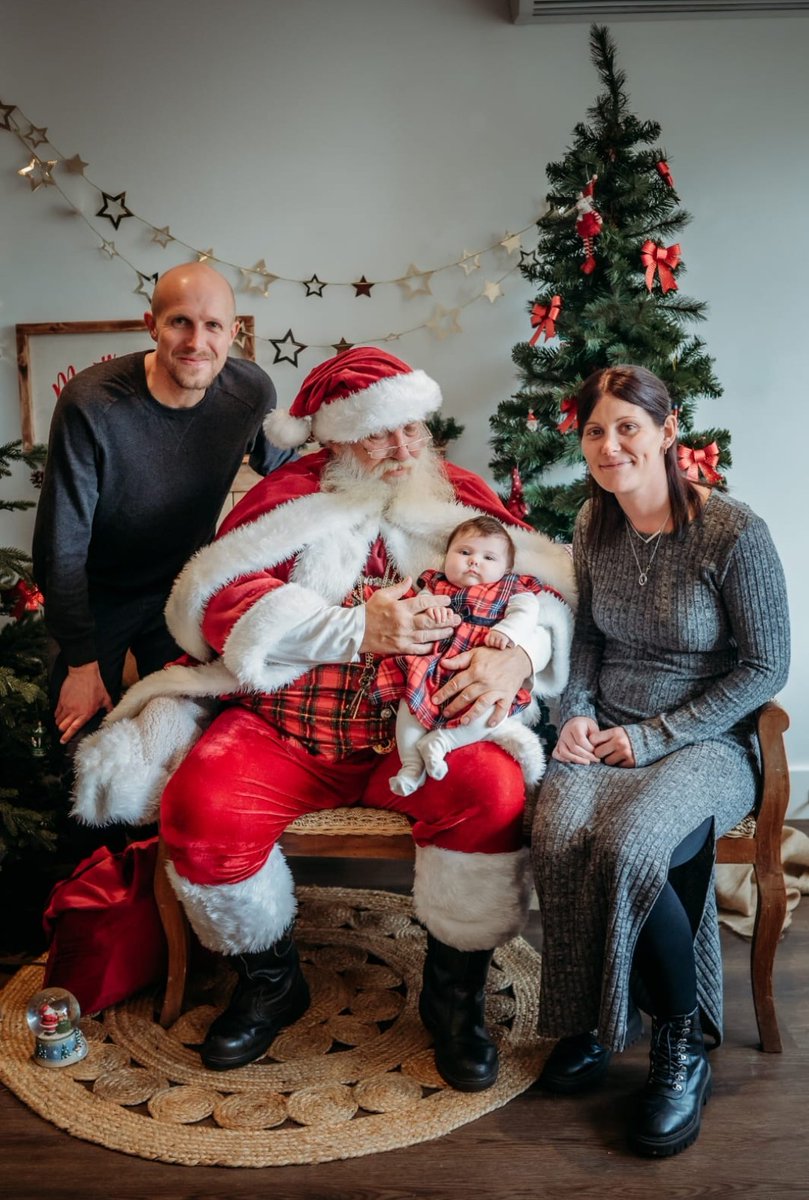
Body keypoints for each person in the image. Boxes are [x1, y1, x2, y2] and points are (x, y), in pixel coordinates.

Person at [72, 346, 574, 1092]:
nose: (402, 450)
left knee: (494, 796)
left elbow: (546, 588)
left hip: (418, 733)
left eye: (412, 430)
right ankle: (270, 982)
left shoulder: (460, 498)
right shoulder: (285, 501)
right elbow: (213, 604)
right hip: (288, 729)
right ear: (336, 438)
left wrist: (521, 655)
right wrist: (352, 631)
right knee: (198, 809)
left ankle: (453, 993)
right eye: (379, 434)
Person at [531, 364, 790, 1157]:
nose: (609, 447)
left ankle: (681, 1044)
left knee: (628, 845)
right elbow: (589, 639)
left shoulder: (731, 533)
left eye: (627, 428)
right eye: (594, 432)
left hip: (704, 740)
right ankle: (592, 1018)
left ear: (667, 430)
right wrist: (572, 714)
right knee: (556, 829)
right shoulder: (591, 522)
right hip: (602, 725)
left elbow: (765, 669)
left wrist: (653, 736)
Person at [32, 262, 291, 748]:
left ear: (232, 333)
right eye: (180, 322)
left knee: (183, 740)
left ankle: (161, 827)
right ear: (152, 326)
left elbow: (288, 470)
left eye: (213, 325)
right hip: (94, 595)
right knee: (79, 739)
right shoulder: (91, 403)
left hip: (182, 589)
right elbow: (60, 547)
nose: (197, 341)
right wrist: (81, 662)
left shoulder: (250, 392)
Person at [374, 515, 566, 796]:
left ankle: (442, 742)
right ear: (446, 557)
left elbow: (528, 612)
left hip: (484, 668)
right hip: (433, 665)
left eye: (489, 557)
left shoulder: (512, 588)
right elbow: (416, 607)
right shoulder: (436, 585)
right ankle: (411, 765)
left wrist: (509, 632)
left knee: (489, 713)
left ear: (507, 567)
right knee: (410, 706)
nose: (474, 561)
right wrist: (430, 611)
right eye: (464, 552)